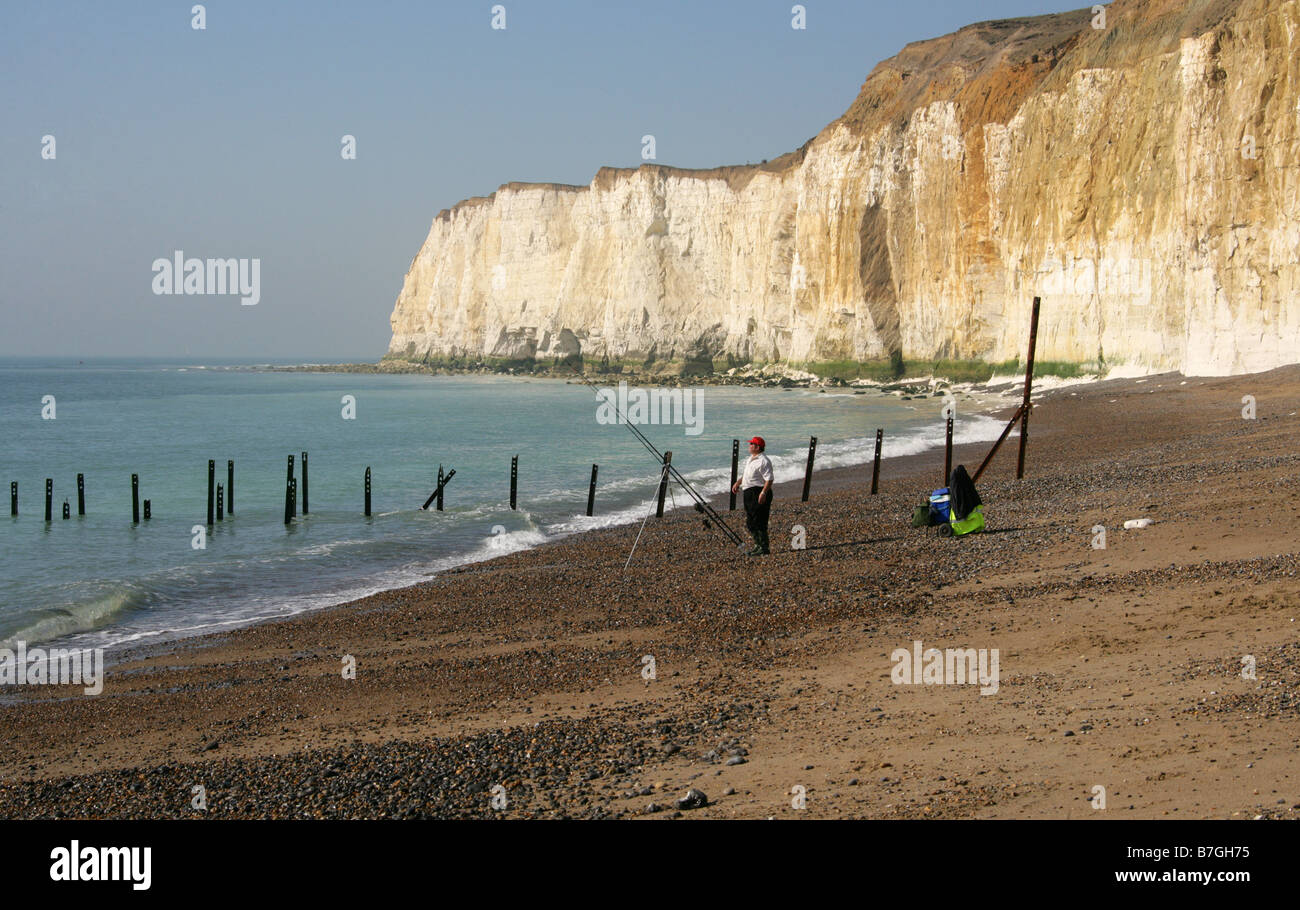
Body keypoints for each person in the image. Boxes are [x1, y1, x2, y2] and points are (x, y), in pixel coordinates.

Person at [731, 436, 773, 556]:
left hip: (759, 492)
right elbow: (746, 475)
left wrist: (763, 493)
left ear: (757, 447)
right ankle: (757, 545)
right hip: (749, 492)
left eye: (751, 444)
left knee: (759, 520)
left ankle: (764, 547)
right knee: (750, 521)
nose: (749, 446)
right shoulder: (751, 458)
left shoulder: (764, 461)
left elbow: (769, 479)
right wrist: (738, 483)